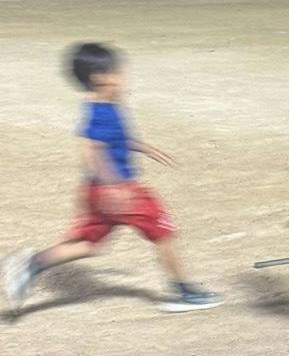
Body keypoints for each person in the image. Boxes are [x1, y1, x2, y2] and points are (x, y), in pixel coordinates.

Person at [3, 42, 220, 314]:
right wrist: (114, 187)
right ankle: (185, 292)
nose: (123, 78)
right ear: (100, 78)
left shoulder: (106, 104)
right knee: (163, 232)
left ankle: (31, 265)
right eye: (118, 73)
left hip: (98, 191)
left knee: (89, 245)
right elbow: (91, 150)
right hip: (121, 190)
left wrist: (144, 148)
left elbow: (115, 139)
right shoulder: (100, 112)